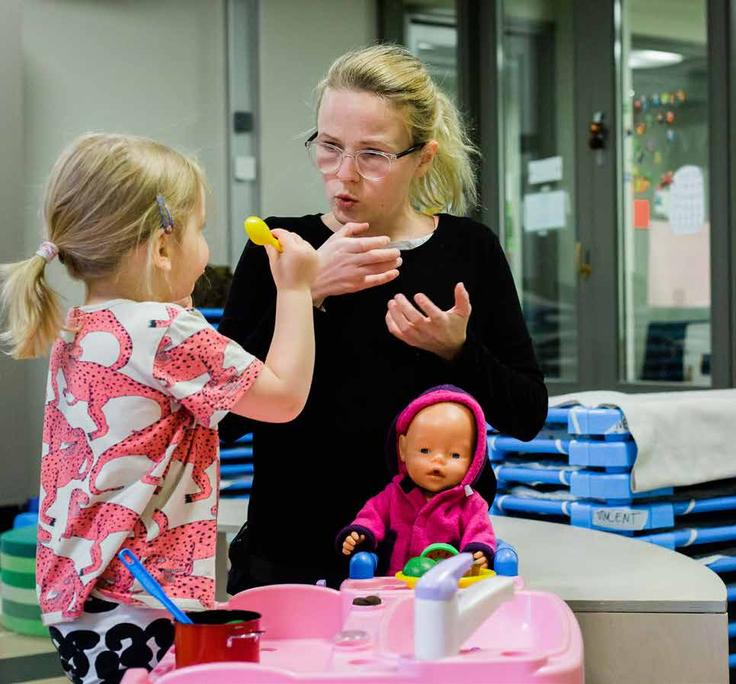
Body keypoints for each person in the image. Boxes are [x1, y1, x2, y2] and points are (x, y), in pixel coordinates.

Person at [218, 44, 547, 591]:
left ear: (421, 157)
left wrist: (457, 353)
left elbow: (527, 413)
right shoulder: (281, 250)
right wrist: (305, 294)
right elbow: (224, 419)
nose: (343, 175)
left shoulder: (470, 251)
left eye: (372, 155)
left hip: (432, 564)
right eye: (329, 147)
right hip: (293, 553)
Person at [0, 133, 320, 684]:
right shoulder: (163, 332)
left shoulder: (81, 327)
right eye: (200, 230)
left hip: (80, 592)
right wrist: (296, 291)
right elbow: (285, 397)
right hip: (142, 597)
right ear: (163, 247)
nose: (206, 248)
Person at [338, 385, 496, 575]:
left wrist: (478, 553)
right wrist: (360, 534)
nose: (438, 460)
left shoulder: (471, 504)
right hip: (394, 586)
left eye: (455, 455)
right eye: (424, 450)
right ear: (403, 449)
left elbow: (481, 532)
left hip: (448, 590)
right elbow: (372, 516)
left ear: (474, 459)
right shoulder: (393, 495)